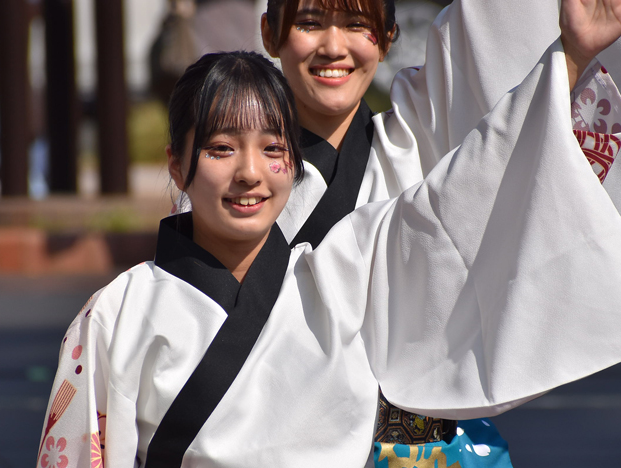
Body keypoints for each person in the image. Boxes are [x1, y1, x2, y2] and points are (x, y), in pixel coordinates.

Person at [38, 6, 621, 462]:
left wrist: (567, 59)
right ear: (176, 163)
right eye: (220, 149)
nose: (248, 173)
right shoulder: (116, 314)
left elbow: (468, 193)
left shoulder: (344, 271)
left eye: (272, 150)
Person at [257, 0, 621, 463]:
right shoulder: (237, 181)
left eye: (356, 24)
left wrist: (570, 56)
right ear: (270, 34)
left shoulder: (416, 139)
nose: (334, 46)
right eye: (309, 23)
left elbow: (500, 149)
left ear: (389, 38)